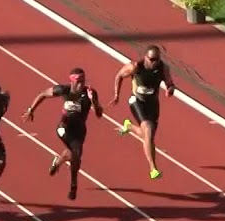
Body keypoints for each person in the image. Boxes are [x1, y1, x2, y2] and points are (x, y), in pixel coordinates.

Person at [22, 69, 103, 200]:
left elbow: (99, 114)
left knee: (73, 154)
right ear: (71, 81)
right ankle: (73, 185)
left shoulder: (90, 93)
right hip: (64, 128)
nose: (80, 85)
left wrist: (93, 101)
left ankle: (58, 161)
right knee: (76, 154)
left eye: (82, 81)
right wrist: (31, 110)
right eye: (77, 82)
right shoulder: (63, 90)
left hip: (80, 130)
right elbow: (43, 94)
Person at [111, 44, 176, 180]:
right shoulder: (135, 67)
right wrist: (116, 94)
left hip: (152, 104)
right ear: (145, 57)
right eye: (151, 59)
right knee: (148, 129)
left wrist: (170, 89)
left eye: (156, 59)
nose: (154, 62)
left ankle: (129, 126)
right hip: (136, 101)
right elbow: (119, 76)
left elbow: (170, 82)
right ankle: (153, 169)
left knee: (148, 136)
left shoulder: (163, 68)